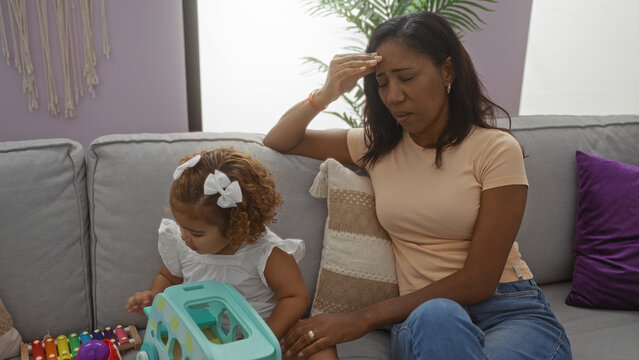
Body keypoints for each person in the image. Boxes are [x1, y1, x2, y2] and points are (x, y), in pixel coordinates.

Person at [263, 11, 572, 360]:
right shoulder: (375, 146)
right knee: (440, 313)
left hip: (510, 309)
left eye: (406, 77)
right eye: (381, 83)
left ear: (447, 73)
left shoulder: (496, 149)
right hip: (427, 318)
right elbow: (280, 140)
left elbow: (480, 280)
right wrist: (326, 93)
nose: (393, 96)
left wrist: (360, 319)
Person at [125, 147, 338, 359]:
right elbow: (169, 277)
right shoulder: (183, 246)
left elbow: (295, 296)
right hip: (203, 337)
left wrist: (265, 338)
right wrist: (153, 297)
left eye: (196, 233)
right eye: (182, 226)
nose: (184, 237)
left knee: (321, 349)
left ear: (235, 227)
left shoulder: (266, 253)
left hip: (261, 336)